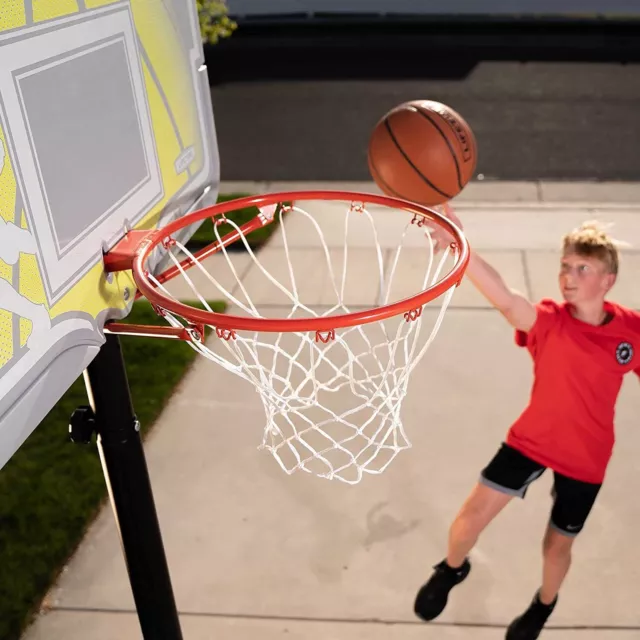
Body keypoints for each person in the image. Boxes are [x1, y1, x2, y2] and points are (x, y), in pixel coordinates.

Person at [414, 204, 640, 639]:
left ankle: (542, 606)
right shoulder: (550, 321)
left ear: (607, 280)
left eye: (582, 268)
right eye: (565, 266)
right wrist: (460, 247)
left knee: (557, 547)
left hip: (586, 456)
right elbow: (503, 295)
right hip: (533, 440)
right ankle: (450, 569)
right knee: (469, 518)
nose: (569, 276)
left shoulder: (630, 331)